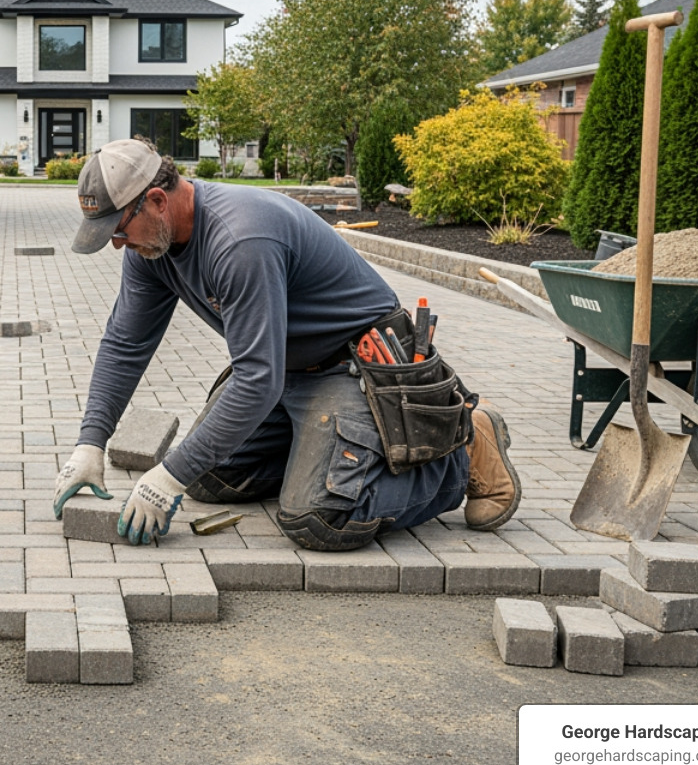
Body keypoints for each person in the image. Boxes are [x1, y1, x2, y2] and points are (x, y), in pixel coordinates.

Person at [53, 138, 520, 549]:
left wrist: (167, 477)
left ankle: (463, 451)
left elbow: (256, 380)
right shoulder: (151, 248)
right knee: (208, 477)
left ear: (156, 200)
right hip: (286, 372)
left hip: (354, 369)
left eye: (119, 229)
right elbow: (125, 343)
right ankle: (321, 456)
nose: (117, 244)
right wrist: (90, 444)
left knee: (320, 519)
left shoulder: (241, 240)